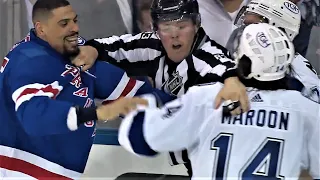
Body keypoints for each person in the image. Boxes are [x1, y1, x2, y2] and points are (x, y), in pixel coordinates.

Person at [117, 23, 320, 179]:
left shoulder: (208, 99)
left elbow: (138, 139)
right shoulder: (308, 111)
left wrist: (148, 105)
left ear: (244, 62)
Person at [0, 0, 174, 179]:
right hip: (18, 172)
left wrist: (167, 108)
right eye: (64, 24)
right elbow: (33, 117)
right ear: (41, 29)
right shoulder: (28, 60)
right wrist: (96, 113)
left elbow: (119, 88)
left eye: (75, 21)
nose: (74, 28)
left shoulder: (75, 53)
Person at [73, 0, 250, 175]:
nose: (174, 34)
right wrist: (93, 49)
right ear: (155, 29)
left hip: (210, 162)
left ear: (196, 25)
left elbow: (226, 69)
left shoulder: (209, 61)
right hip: (177, 157)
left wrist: (232, 78)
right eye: (166, 27)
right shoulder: (154, 44)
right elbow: (116, 46)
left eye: (182, 26)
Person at [230, 0, 320, 102]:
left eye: (252, 26)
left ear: (279, 29)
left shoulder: (302, 81)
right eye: (245, 26)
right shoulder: (248, 58)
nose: (245, 33)